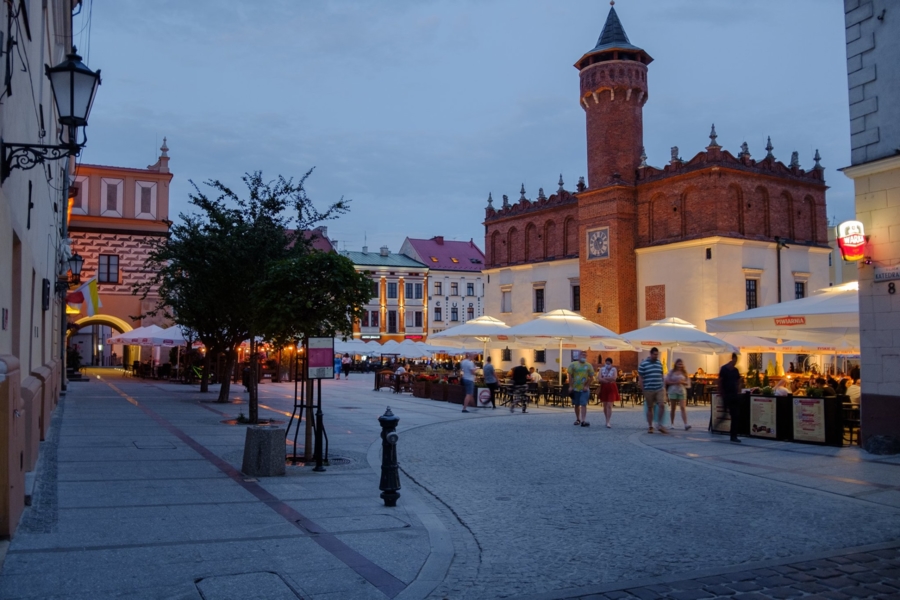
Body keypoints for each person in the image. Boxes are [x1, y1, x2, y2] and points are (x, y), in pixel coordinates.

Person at [638, 347, 667, 433]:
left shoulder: (659, 363)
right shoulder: (643, 364)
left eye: (657, 354)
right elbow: (640, 378)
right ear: (650, 354)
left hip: (659, 388)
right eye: (654, 354)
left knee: (662, 405)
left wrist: (663, 385)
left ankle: (659, 424)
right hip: (648, 388)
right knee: (650, 407)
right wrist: (643, 389)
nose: (656, 356)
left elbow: (661, 375)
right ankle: (650, 426)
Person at [718, 352, 742, 443]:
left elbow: (738, 381)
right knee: (725, 414)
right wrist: (721, 392)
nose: (736, 362)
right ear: (733, 359)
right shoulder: (724, 369)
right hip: (726, 394)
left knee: (735, 415)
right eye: (735, 360)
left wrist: (739, 390)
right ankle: (718, 424)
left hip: (734, 395)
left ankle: (733, 435)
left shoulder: (736, 370)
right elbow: (720, 381)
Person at [567, 353, 595, 426]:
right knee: (576, 404)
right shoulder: (573, 365)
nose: (584, 356)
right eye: (582, 355)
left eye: (585, 355)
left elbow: (592, 377)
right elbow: (570, 376)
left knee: (583, 404)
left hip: (584, 389)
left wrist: (587, 385)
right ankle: (578, 419)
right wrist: (570, 386)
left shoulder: (589, 365)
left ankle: (583, 420)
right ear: (579, 356)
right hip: (575, 387)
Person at [666, 358, 692, 431]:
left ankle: (686, 424)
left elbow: (688, 383)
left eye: (681, 364)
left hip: (681, 391)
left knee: (683, 407)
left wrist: (682, 382)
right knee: (673, 408)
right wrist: (675, 382)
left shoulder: (684, 373)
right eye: (679, 364)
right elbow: (667, 381)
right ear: (676, 364)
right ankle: (672, 423)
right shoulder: (671, 372)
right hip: (673, 391)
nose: (680, 366)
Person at [597, 357, 619, 428]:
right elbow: (599, 378)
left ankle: (608, 421)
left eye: (609, 364)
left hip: (611, 387)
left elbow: (614, 378)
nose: (607, 365)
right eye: (606, 363)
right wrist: (607, 380)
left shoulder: (614, 369)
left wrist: (605, 378)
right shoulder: (601, 369)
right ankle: (606, 419)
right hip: (604, 387)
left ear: (611, 364)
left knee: (609, 404)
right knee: (605, 405)